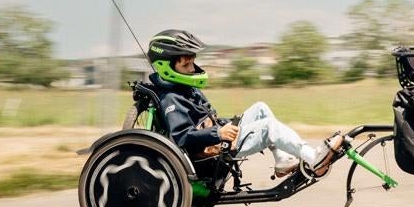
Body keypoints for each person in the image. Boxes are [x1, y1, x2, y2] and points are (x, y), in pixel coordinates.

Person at [145, 29, 342, 177]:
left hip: (218, 136)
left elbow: (206, 117)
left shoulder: (186, 89)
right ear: (166, 67)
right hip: (211, 149)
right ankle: (313, 158)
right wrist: (219, 133)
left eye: (191, 62)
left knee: (260, 107)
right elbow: (181, 137)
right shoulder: (171, 98)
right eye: (185, 64)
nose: (191, 69)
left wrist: (225, 124)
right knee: (268, 127)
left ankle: (282, 160)